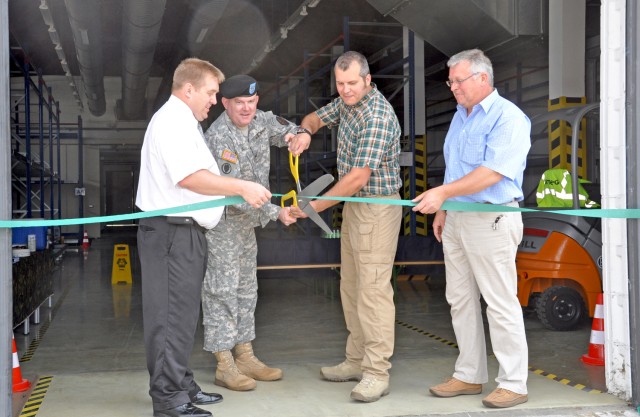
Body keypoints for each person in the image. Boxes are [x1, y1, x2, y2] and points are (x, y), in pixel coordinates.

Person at [136, 58, 271, 417]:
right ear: (189, 88)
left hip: (185, 232)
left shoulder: (185, 122)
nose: (215, 100)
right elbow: (190, 178)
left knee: (182, 317)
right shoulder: (172, 123)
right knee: (169, 317)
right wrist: (241, 186)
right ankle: (168, 399)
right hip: (170, 232)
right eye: (211, 93)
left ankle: (181, 383)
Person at [411, 48, 530, 409]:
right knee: (459, 300)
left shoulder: (508, 118)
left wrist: (443, 194)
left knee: (499, 302)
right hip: (459, 219)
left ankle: (514, 382)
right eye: (450, 82)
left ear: (482, 78)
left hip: (492, 218)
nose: (453, 88)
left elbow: (493, 172)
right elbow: (456, 168)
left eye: (458, 80)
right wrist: (445, 209)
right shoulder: (460, 118)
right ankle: (469, 375)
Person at [288, 50, 403, 403]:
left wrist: (312, 207)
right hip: (354, 209)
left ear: (368, 80)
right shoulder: (347, 103)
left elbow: (356, 179)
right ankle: (355, 361)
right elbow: (314, 117)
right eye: (340, 84)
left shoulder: (377, 115)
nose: (346, 90)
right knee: (351, 286)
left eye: (352, 83)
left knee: (373, 291)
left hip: (376, 207)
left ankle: (376, 372)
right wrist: (305, 132)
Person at [201, 74, 300, 391]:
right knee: (221, 291)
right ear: (225, 103)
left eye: (252, 102)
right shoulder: (219, 138)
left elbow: (283, 128)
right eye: (239, 103)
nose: (246, 109)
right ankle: (224, 364)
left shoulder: (260, 120)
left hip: (248, 227)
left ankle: (245, 354)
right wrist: (277, 212)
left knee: (246, 289)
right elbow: (237, 194)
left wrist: (297, 136)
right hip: (225, 222)